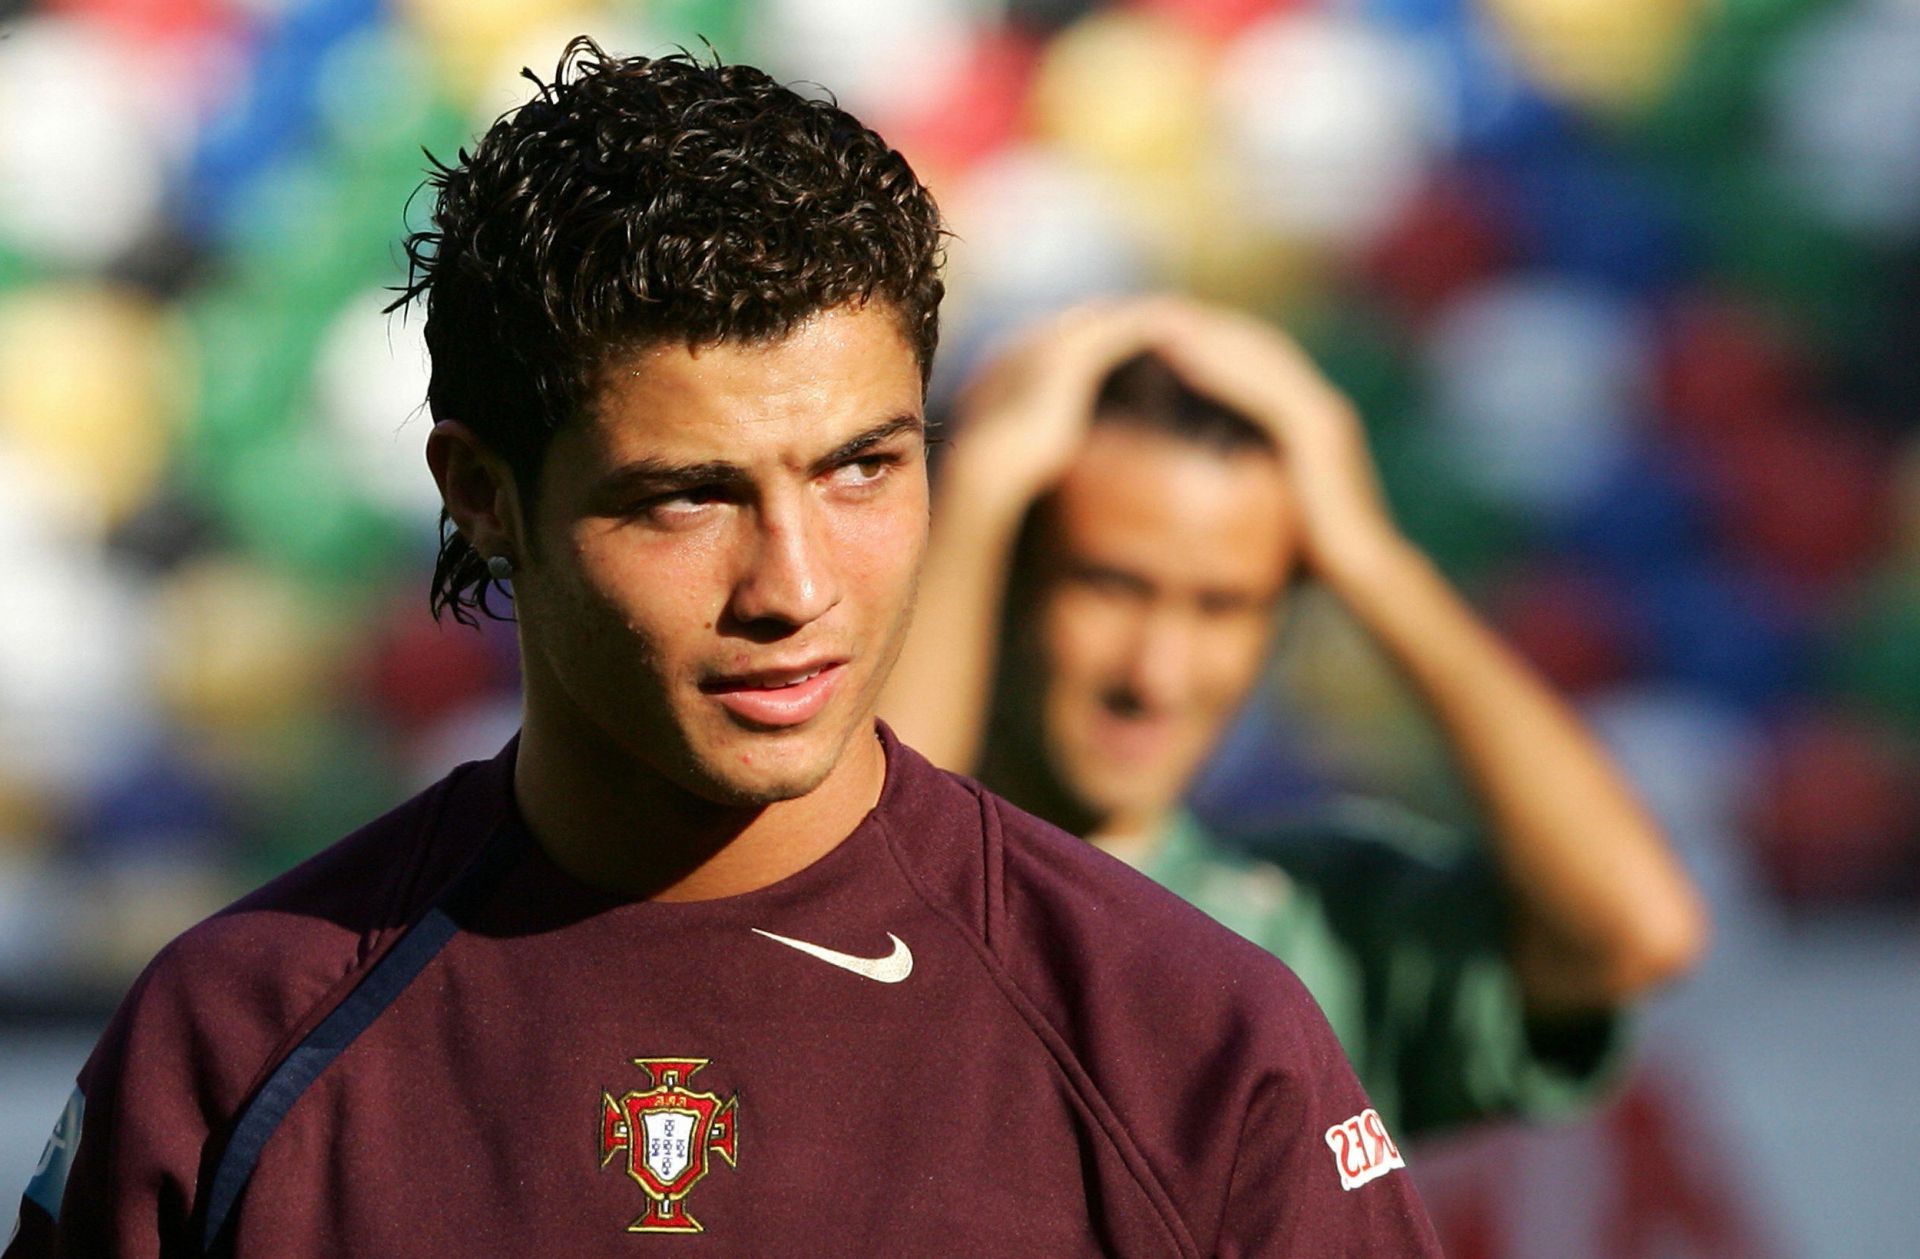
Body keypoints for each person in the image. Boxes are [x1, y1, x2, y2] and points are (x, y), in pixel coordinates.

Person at [7, 42, 1443, 1258]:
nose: (797, 584)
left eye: (862, 468)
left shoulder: (1191, 1040)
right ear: (481, 490)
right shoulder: (236, 1042)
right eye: (688, 493)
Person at [883, 297, 1712, 1141]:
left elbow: (1635, 931)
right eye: (1109, 586)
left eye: (1224, 606)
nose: (1156, 674)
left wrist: (1370, 554)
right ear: (1005, 575)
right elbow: (853, 870)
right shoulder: (847, 893)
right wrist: (977, 489)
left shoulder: (1319, 930)